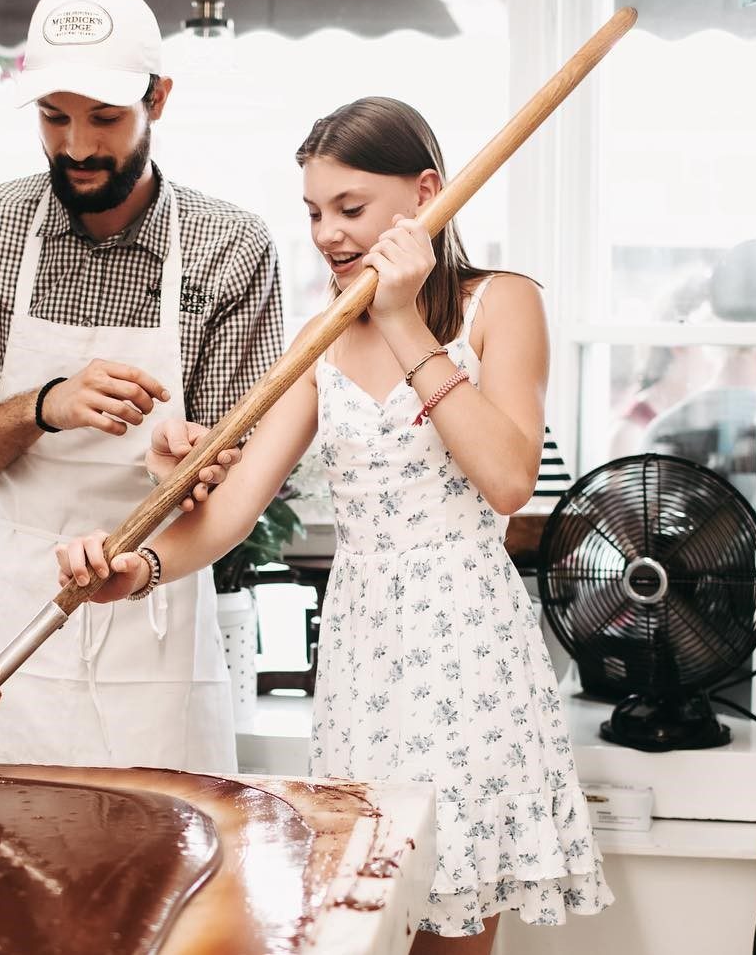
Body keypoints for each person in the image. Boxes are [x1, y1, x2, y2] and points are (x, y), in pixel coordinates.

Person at [56, 98, 612, 951]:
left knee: (456, 926)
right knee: (365, 922)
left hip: (470, 651)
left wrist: (396, 315)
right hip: (364, 653)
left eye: (350, 209)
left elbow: (506, 480)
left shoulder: (502, 303)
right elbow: (227, 517)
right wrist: (136, 573)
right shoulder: (318, 339)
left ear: (429, 193)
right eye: (314, 212)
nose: (326, 234)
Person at [0, 0, 285, 773]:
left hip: (157, 604)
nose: (76, 146)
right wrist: (44, 407)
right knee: (6, 864)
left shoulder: (230, 247)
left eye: (104, 118)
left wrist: (188, 463)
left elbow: (244, 479)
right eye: (53, 116)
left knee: (165, 868)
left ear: (159, 99)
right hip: (16, 605)